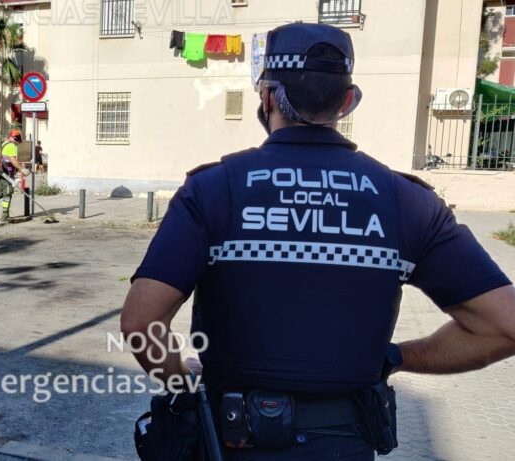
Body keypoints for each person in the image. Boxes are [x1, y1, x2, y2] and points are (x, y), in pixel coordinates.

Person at [121, 23, 515, 460]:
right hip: (344, 445)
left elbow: (141, 324)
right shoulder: (407, 201)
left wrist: (182, 380)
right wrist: (394, 358)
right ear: (347, 101)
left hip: (232, 443)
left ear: (267, 96)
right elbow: (503, 326)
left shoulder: (214, 189)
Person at [0, 133, 26, 221]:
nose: (17, 143)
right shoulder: (11, 146)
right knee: (8, 194)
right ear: (15, 139)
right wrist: (22, 169)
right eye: (17, 141)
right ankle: (5, 215)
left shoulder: (4, 143)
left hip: (0, 172)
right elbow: (13, 160)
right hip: (7, 174)